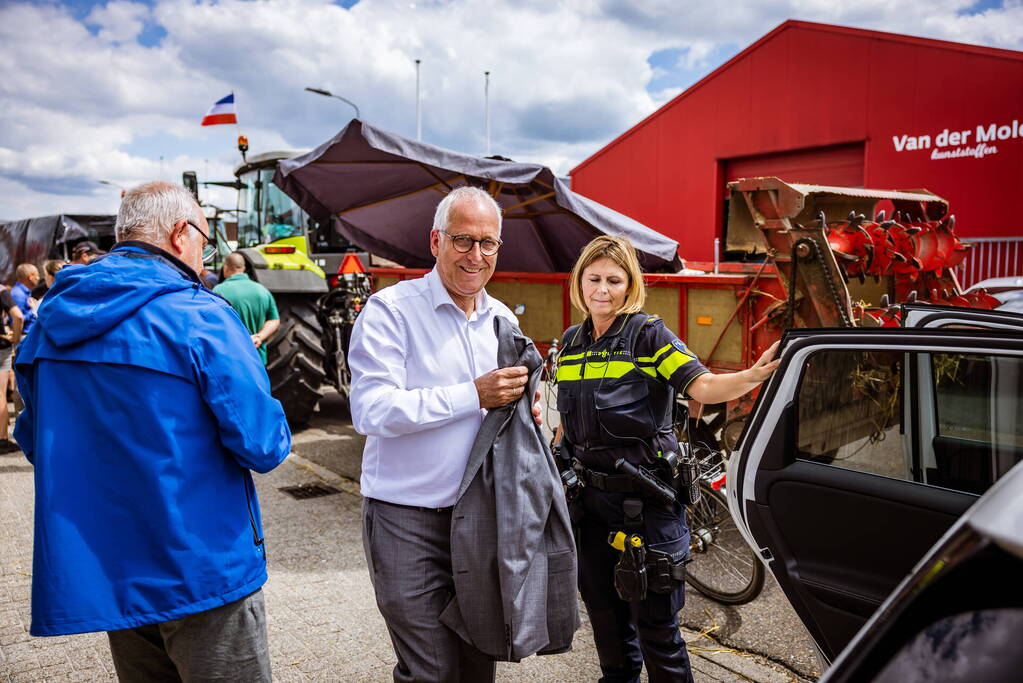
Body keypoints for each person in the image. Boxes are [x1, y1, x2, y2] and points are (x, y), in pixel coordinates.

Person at [13, 181, 291, 682]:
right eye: (207, 240)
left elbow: (35, 440)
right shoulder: (200, 317)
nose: (207, 255)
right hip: (202, 569)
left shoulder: (51, 321)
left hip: (117, 570)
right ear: (181, 233)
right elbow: (263, 445)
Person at [553, 236, 779, 683]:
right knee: (606, 622)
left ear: (629, 285)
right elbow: (566, 425)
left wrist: (752, 376)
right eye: (593, 278)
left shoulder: (647, 334)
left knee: (657, 631)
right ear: (579, 283)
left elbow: (703, 387)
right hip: (589, 510)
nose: (602, 289)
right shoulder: (571, 342)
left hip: (645, 510)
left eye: (613, 280)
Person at [348, 185, 540, 682]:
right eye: (462, 240)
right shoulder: (390, 310)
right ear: (435, 241)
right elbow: (370, 410)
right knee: (429, 669)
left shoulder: (502, 319)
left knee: (480, 662)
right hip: (405, 518)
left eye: (488, 243)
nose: (476, 255)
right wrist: (472, 395)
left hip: (481, 519)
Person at [213, 252, 280, 365]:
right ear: (243, 268)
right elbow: (274, 320)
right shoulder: (262, 290)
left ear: (225, 268)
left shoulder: (218, 291)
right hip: (258, 360)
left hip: (232, 360)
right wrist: (259, 337)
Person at [0, 286, 24, 453]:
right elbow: (18, 316)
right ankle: (1, 438)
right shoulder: (1, 291)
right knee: (0, 393)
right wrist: (15, 338)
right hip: (0, 347)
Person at [11, 263, 40, 332]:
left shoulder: (24, 292)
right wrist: (34, 310)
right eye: (37, 275)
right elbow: (17, 319)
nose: (38, 278)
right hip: (25, 336)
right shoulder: (18, 294)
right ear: (30, 277)